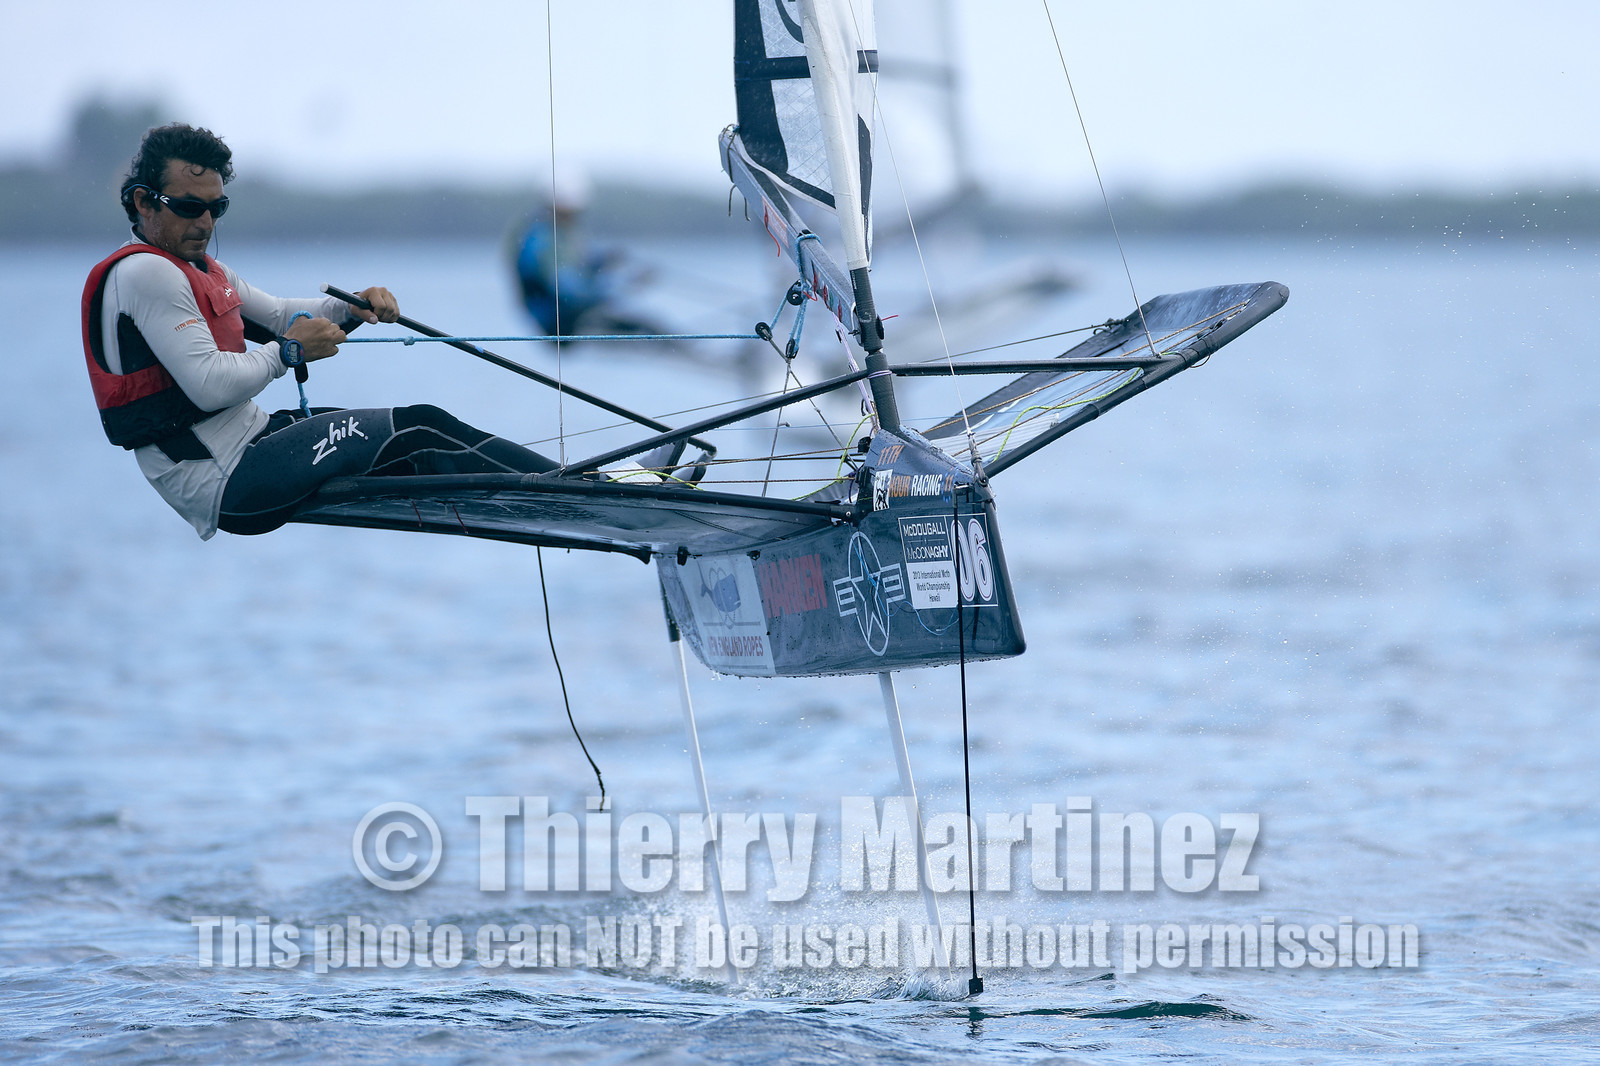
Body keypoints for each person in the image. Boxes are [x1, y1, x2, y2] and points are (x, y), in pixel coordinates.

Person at [81, 123, 559, 539]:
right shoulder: (146, 274)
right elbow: (210, 386)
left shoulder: (196, 267)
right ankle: (568, 489)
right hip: (226, 479)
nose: (205, 223)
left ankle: (566, 484)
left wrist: (352, 305)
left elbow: (281, 314)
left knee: (422, 428)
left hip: (254, 443)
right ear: (143, 202)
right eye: (189, 207)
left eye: (216, 208)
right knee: (417, 430)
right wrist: (287, 354)